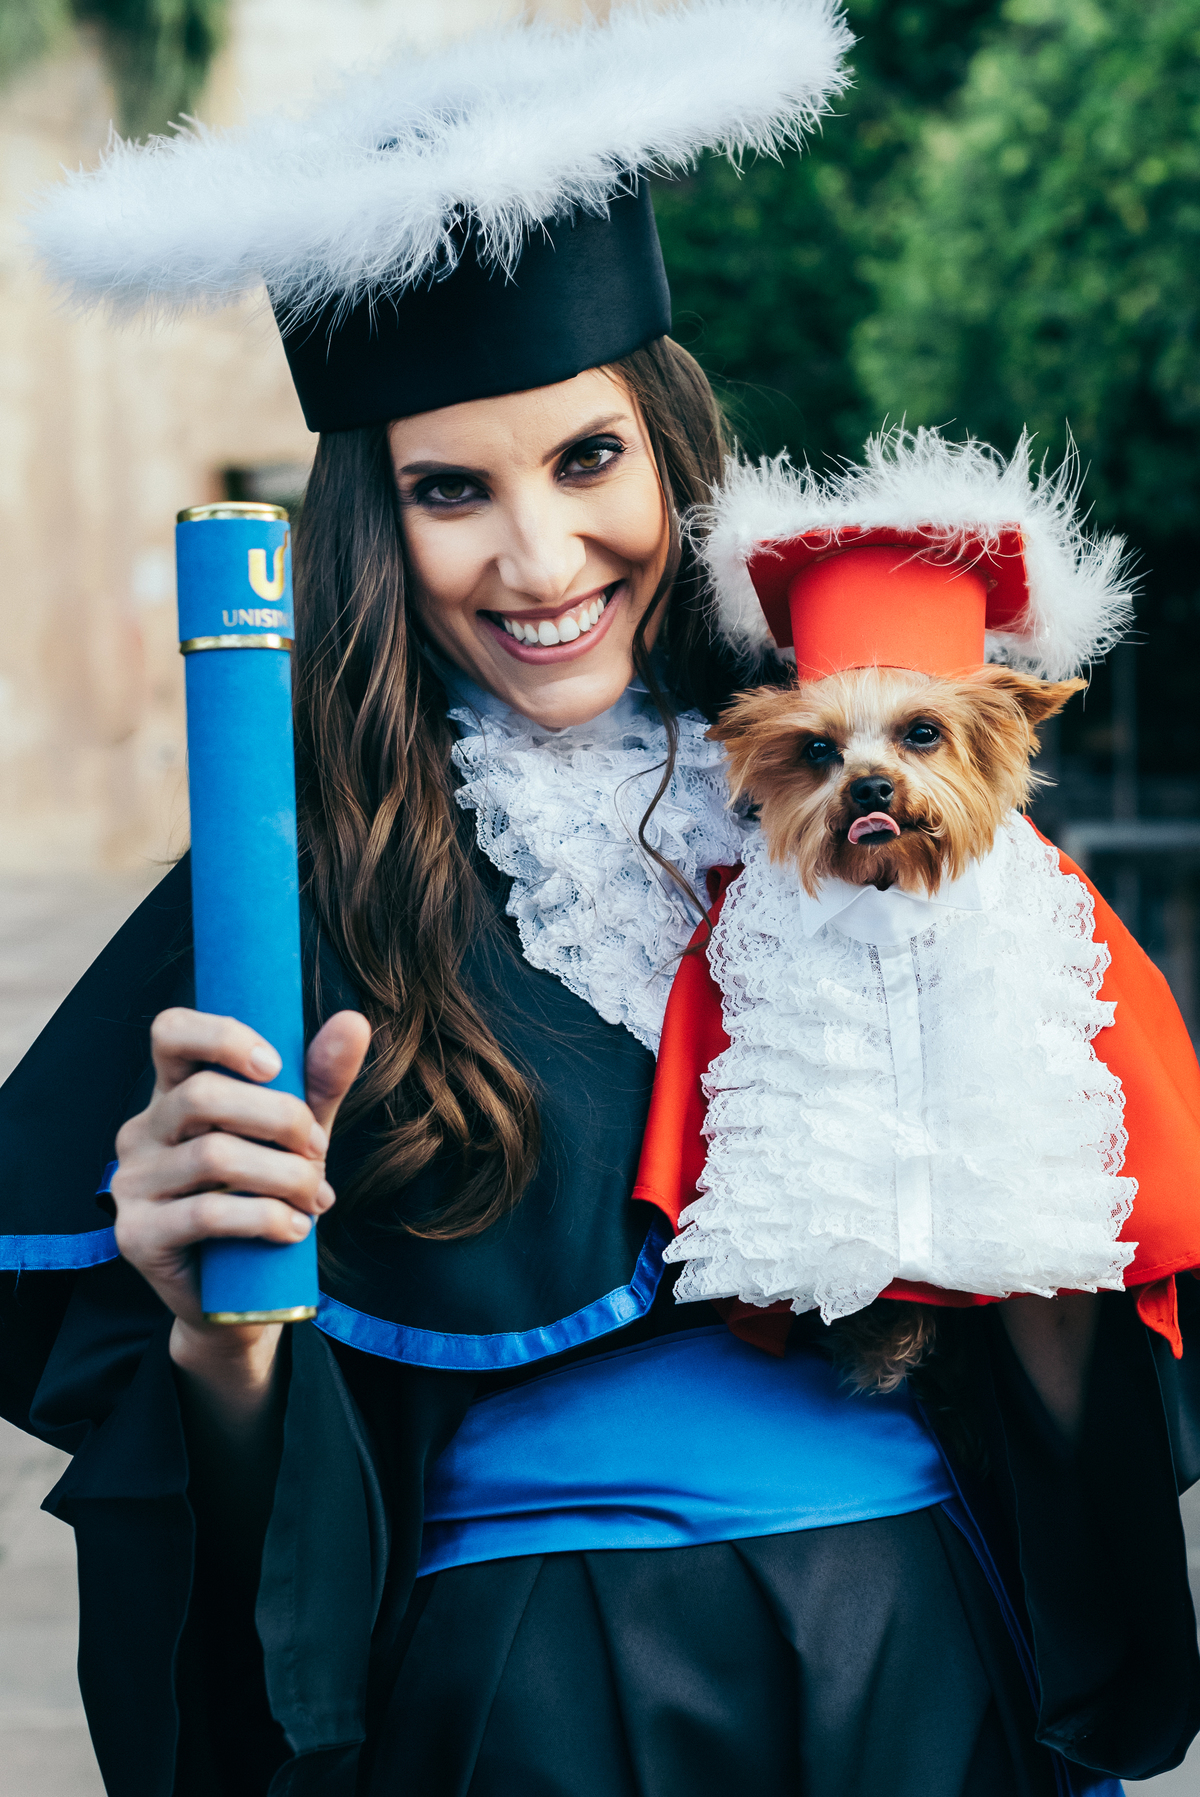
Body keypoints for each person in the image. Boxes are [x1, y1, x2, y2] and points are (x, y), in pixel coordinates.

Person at [2, 6, 1198, 1795]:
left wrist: (1037, 1217)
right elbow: (225, 1520)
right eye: (449, 489)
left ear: (672, 450)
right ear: (370, 524)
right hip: (527, 1697)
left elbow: (1081, 1376)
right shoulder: (285, 898)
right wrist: (218, 1330)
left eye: (586, 459)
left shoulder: (882, 815)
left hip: (915, 1651)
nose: (541, 559)